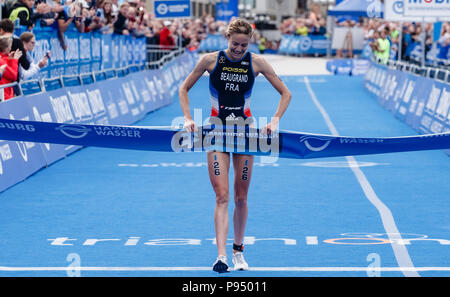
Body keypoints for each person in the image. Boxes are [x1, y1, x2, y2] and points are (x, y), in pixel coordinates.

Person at [178, 18, 292, 273]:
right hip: (216, 134)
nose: (239, 49)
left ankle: (238, 251)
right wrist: (187, 118)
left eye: (244, 44)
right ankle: (221, 257)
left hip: (246, 136)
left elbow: (287, 93)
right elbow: (184, 88)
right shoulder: (210, 60)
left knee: (241, 197)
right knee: (222, 196)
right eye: (235, 44)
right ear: (226, 39)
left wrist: (274, 121)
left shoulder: (257, 62)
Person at [0, 36, 22, 100]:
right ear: (5, 49)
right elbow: (13, 76)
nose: (10, 48)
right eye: (10, 46)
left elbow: (7, 73)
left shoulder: (2, 58)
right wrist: (15, 60)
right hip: (4, 95)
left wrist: (10, 60)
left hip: (5, 94)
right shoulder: (1, 61)